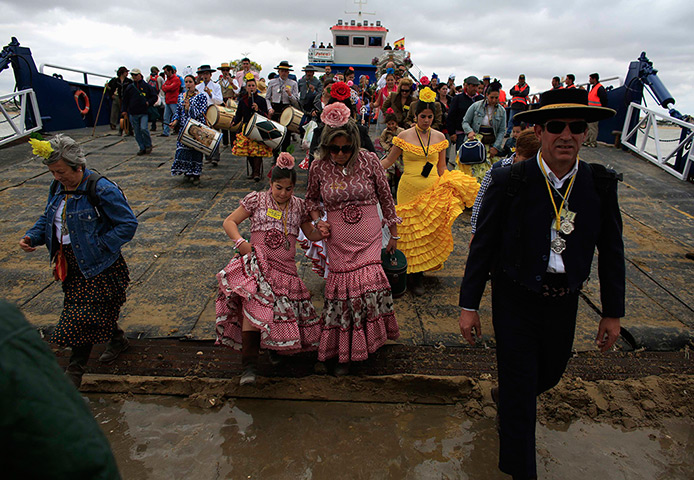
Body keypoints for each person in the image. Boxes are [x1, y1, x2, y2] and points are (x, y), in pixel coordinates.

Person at [458, 88, 623, 480]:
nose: (566, 135)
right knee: (521, 395)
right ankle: (520, 469)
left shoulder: (599, 184)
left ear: (586, 133)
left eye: (576, 127)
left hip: (564, 299)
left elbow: (612, 252)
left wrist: (613, 313)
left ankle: (510, 395)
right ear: (539, 130)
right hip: (514, 298)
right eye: (555, 126)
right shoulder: (510, 179)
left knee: (548, 374)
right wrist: (469, 305)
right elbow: (483, 245)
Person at [21, 135, 138, 388]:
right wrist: (33, 236)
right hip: (69, 263)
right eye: (52, 172)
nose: (56, 177)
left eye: (61, 171)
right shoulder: (57, 187)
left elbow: (127, 224)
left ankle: (74, 373)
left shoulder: (102, 189)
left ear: (79, 167)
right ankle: (117, 340)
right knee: (92, 310)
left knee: (81, 317)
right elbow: (48, 217)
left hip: (99, 265)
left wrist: (101, 246)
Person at [306, 106, 401, 374]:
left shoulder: (370, 161)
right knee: (342, 296)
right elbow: (312, 200)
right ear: (326, 146)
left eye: (346, 148)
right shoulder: (319, 166)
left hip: (369, 235)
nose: (339, 154)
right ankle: (341, 351)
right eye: (334, 149)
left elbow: (386, 197)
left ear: (355, 145)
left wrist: (394, 233)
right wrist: (318, 220)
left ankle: (366, 347)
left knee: (366, 292)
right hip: (337, 238)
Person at [215, 153, 324, 385]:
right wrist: (241, 244)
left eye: (289, 188)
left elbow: (311, 233)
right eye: (278, 187)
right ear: (270, 183)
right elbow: (229, 222)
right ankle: (249, 368)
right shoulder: (256, 200)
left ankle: (275, 350)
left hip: (285, 270)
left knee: (277, 313)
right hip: (258, 266)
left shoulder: (299, 206)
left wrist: (324, 230)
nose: (283, 193)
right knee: (253, 312)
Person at [0, 300, 121, 478]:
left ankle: (76, 368)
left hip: (93, 276)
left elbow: (75, 455)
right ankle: (114, 340)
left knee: (91, 310)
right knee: (93, 309)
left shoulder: (6, 336)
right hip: (80, 278)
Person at [381, 88, 479, 295]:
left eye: (430, 117)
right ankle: (405, 271)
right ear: (415, 116)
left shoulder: (440, 137)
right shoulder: (403, 135)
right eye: (422, 116)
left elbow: (442, 167)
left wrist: (453, 184)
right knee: (407, 230)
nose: (426, 120)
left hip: (432, 188)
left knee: (426, 231)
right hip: (408, 188)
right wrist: (368, 169)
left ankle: (419, 276)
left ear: (434, 117)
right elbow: (389, 161)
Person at [470, 129, 540, 235]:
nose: (529, 165)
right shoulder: (498, 169)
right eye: (526, 159)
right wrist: (475, 231)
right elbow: (480, 201)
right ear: (516, 153)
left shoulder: (539, 173)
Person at [462, 81, 507, 182]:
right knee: (473, 175)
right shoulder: (476, 106)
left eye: (496, 98)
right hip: (475, 145)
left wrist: (496, 147)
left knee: (489, 176)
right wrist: (469, 131)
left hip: (490, 145)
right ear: (487, 95)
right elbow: (465, 122)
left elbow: (501, 131)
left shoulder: (502, 111)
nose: (494, 100)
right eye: (492, 97)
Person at [231, 74, 273, 182]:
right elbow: (239, 115)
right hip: (246, 127)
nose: (251, 87)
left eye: (253, 85)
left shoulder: (261, 100)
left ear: (256, 87)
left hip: (258, 127)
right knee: (248, 151)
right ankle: (254, 170)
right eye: (249, 85)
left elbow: (265, 115)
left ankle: (256, 173)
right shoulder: (242, 101)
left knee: (257, 151)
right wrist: (234, 122)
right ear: (246, 87)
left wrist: (258, 109)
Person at [169, 75, 208, 185]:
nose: (188, 84)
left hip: (196, 128)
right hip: (183, 127)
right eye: (186, 82)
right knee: (184, 150)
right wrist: (175, 121)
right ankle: (187, 172)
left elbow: (202, 112)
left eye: (190, 82)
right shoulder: (181, 96)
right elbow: (178, 111)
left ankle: (196, 174)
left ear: (194, 83)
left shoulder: (201, 96)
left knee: (196, 151)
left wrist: (189, 108)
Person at [267, 61, 300, 157]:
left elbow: (296, 101)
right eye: (282, 71)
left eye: (286, 71)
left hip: (287, 109)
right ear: (279, 72)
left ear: (288, 72)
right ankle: (275, 156)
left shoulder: (293, 83)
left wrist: (290, 94)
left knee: (286, 135)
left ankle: (285, 156)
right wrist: (269, 108)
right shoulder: (272, 82)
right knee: (275, 134)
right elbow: (267, 98)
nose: (284, 73)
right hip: (275, 108)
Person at [122, 68, 157, 155]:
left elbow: (154, 97)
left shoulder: (147, 86)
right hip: (133, 112)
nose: (134, 77)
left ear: (140, 75)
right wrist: (124, 110)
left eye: (136, 75)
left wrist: (148, 102)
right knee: (137, 131)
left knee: (144, 128)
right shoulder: (130, 87)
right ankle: (142, 147)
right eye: (133, 75)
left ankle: (148, 145)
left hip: (143, 111)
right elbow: (125, 99)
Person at [195, 65, 223, 166]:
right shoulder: (198, 87)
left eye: (207, 74)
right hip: (202, 111)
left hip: (213, 110)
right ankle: (208, 155)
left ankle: (215, 156)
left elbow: (220, 100)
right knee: (205, 134)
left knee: (215, 133)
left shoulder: (216, 86)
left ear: (210, 75)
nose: (205, 76)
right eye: (203, 74)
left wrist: (210, 95)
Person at [448, 75, 484, 151]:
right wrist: (452, 133)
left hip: (477, 134)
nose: (475, 88)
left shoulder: (481, 99)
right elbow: (451, 116)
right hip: (461, 133)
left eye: (477, 86)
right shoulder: (458, 99)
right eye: (473, 86)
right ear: (467, 86)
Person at [584, 73, 608, 147]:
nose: (589, 80)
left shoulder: (599, 88)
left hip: (595, 111)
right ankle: (587, 141)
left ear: (594, 79)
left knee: (593, 127)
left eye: (590, 79)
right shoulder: (594, 88)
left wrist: (602, 110)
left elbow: (604, 99)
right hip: (591, 111)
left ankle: (592, 142)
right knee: (589, 127)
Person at [217, 62, 237, 147]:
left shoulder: (233, 80)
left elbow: (237, 91)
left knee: (232, 121)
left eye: (226, 70)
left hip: (231, 102)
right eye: (223, 70)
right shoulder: (218, 82)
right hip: (223, 101)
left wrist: (231, 83)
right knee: (223, 122)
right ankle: (225, 142)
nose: (225, 72)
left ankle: (233, 142)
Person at [106, 66, 131, 131]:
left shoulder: (129, 81)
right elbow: (109, 88)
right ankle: (113, 124)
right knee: (114, 111)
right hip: (117, 97)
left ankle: (125, 125)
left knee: (124, 112)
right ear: (122, 73)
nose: (127, 73)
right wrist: (111, 94)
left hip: (125, 97)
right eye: (126, 72)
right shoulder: (114, 80)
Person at [373, 69, 398, 135]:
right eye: (388, 80)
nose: (390, 82)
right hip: (383, 113)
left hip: (394, 113)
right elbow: (377, 103)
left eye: (391, 80)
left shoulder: (398, 90)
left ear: (395, 80)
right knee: (383, 131)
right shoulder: (382, 90)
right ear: (386, 81)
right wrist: (372, 105)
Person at [160, 65, 181, 138]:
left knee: (176, 116)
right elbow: (164, 87)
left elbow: (170, 88)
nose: (165, 74)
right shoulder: (168, 80)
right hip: (168, 100)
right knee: (166, 117)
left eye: (166, 72)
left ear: (170, 71)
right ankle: (165, 132)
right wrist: (167, 87)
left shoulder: (176, 79)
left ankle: (179, 130)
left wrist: (167, 87)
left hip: (174, 101)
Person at [147, 66, 164, 132]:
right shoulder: (160, 78)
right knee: (161, 112)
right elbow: (163, 86)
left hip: (151, 97)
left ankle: (153, 126)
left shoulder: (148, 78)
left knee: (153, 111)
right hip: (159, 96)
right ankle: (163, 125)